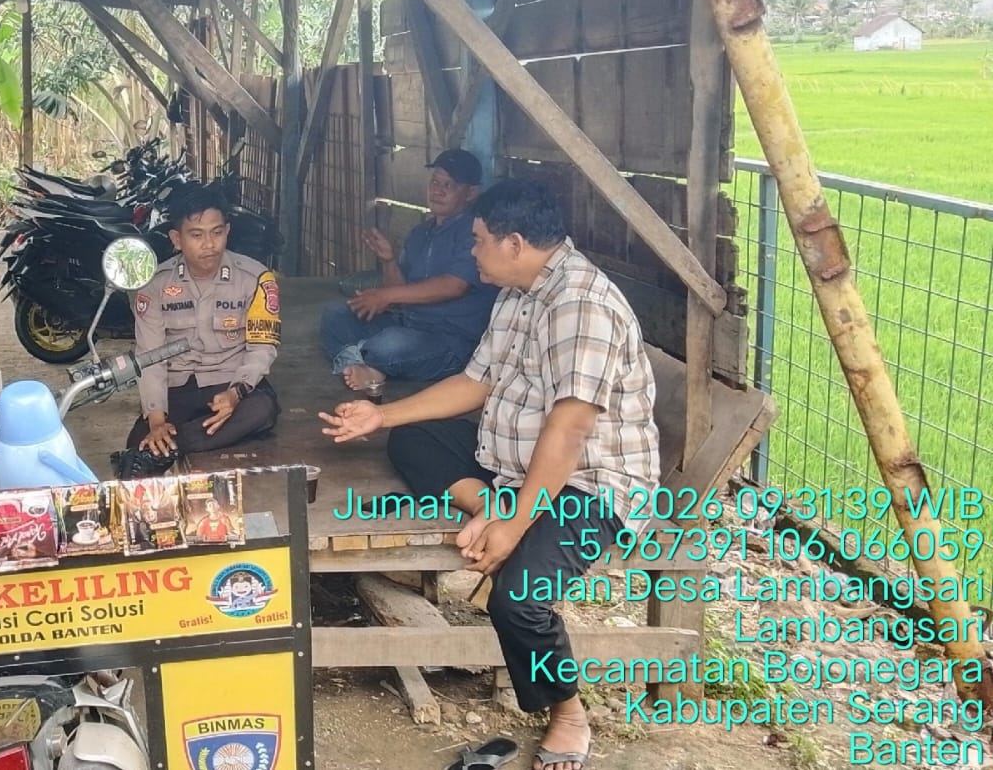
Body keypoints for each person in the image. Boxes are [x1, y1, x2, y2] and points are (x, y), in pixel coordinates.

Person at [318, 179, 660, 770]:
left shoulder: (581, 305)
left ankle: (568, 713)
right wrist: (382, 414)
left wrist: (516, 524)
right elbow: (475, 382)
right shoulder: (518, 292)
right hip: (514, 468)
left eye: (478, 241)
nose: (471, 250)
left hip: (588, 483)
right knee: (414, 437)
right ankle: (487, 505)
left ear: (515, 243)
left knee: (518, 600)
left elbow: (569, 430)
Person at [118, 184, 282, 478]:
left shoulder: (256, 278)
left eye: (217, 232)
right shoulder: (155, 285)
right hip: (178, 388)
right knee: (138, 451)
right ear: (176, 239)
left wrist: (236, 393)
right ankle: (176, 443)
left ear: (227, 231)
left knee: (261, 410)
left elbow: (262, 349)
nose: (209, 244)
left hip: (231, 383)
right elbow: (150, 356)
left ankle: (172, 446)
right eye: (196, 235)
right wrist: (157, 420)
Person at [319, 148, 499, 395]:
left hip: (449, 339)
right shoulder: (420, 233)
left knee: (387, 345)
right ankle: (364, 364)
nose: (438, 190)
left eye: (449, 185)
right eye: (435, 182)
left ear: (471, 193)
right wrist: (389, 260)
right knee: (336, 315)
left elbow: (454, 285)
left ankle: (364, 360)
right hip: (408, 325)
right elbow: (400, 294)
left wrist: (385, 296)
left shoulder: (474, 232)